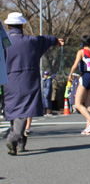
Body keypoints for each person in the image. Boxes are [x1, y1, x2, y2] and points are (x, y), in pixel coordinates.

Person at [3, 12, 64, 155]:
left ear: (7, 26)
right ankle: (15, 137)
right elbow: (46, 39)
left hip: (8, 80)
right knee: (24, 109)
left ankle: (20, 142)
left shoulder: (3, 42)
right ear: (22, 25)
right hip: (28, 78)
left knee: (13, 110)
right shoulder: (31, 41)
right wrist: (56, 40)